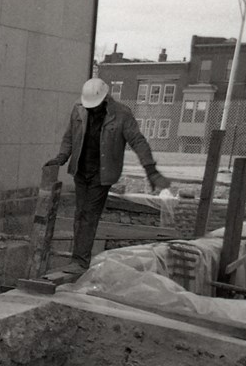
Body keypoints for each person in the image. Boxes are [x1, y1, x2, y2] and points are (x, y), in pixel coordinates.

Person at [46, 78, 171, 273]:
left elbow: (138, 142)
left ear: (104, 100)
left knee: (89, 214)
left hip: (102, 174)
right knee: (80, 213)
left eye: (95, 107)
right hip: (81, 170)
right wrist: (61, 157)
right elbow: (69, 137)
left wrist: (151, 171)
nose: (92, 110)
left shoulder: (121, 114)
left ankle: (80, 261)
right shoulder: (79, 109)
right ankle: (78, 259)